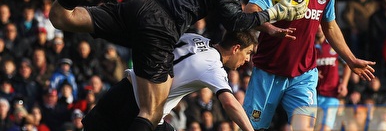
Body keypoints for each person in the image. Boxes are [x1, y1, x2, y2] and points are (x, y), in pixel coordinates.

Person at [49, 0, 307, 131]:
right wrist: (273, 13)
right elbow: (234, 20)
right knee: (152, 112)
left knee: (62, 17)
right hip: (161, 27)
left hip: (140, 6)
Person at [242, 0, 376, 131]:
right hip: (268, 70)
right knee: (252, 128)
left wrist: (351, 60)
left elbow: (330, 27)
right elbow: (249, 10)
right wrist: (271, 28)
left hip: (303, 74)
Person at [82, 30, 258, 131]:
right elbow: (230, 104)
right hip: (142, 110)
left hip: (120, 90)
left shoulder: (192, 37)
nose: (248, 60)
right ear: (236, 48)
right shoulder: (215, 68)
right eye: (248, 53)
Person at [314, 24, 351, 131]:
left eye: (322, 25)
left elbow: (348, 64)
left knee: (325, 128)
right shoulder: (308, 46)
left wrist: (344, 84)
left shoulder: (333, 45)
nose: (319, 28)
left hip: (331, 94)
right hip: (313, 94)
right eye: (317, 25)